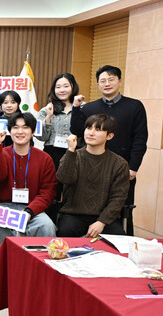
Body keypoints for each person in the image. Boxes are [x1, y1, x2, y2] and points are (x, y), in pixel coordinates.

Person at [70, 65, 147, 234]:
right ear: (98, 84)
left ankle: (123, 246)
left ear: (120, 81)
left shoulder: (134, 106)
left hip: (122, 169)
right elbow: (77, 130)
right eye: (103, 81)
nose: (107, 84)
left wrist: (133, 167)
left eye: (111, 79)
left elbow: (140, 139)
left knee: (122, 211)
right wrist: (75, 108)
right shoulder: (89, 108)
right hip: (92, 168)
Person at [0, 113, 57, 257]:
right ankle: (1, 268)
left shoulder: (44, 159)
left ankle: (42, 266)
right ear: (9, 131)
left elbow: (47, 192)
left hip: (32, 209)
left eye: (25, 127)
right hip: (3, 207)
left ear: (33, 131)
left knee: (47, 225)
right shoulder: (2, 153)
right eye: (15, 127)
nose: (20, 132)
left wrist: (29, 212)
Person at [57, 115, 130, 237]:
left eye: (98, 129)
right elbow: (64, 179)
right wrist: (71, 150)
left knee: (118, 235)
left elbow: (118, 198)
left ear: (109, 136)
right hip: (74, 215)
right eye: (88, 128)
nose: (91, 133)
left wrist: (102, 222)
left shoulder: (119, 163)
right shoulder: (74, 155)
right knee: (66, 229)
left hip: (104, 217)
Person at [36, 73, 79, 200]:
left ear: (73, 87)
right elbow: (41, 137)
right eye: (58, 87)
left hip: (75, 153)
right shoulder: (46, 110)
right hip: (52, 153)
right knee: (51, 191)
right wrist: (49, 116)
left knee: (73, 191)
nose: (62, 90)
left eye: (66, 86)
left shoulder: (82, 107)